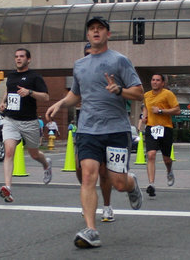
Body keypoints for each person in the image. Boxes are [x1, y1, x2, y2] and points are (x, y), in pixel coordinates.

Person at [45, 16, 144, 248]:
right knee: (88, 175)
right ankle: (91, 230)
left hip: (116, 129)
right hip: (88, 129)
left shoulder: (120, 61)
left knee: (118, 182)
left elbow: (139, 92)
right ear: (88, 36)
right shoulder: (79, 65)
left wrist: (119, 90)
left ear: (108, 34)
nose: (96, 32)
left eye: (100, 29)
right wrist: (61, 103)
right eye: (92, 29)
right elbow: (77, 95)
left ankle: (132, 183)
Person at [0, 48, 53, 203]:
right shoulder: (11, 76)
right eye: (16, 57)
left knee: (34, 154)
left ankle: (46, 163)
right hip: (11, 120)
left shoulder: (35, 77)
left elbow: (46, 97)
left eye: (22, 56)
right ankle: (8, 188)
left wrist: (30, 92)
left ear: (29, 59)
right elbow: (8, 92)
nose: (18, 59)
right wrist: (3, 102)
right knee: (9, 152)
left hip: (29, 121)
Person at [140, 74, 178, 197]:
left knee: (166, 159)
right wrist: (144, 117)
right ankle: (151, 184)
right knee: (150, 154)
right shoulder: (146, 95)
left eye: (158, 80)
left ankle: (169, 171)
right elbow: (146, 107)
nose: (155, 82)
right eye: (153, 80)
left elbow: (177, 110)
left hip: (166, 128)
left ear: (162, 83)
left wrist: (161, 111)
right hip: (151, 128)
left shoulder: (168, 94)